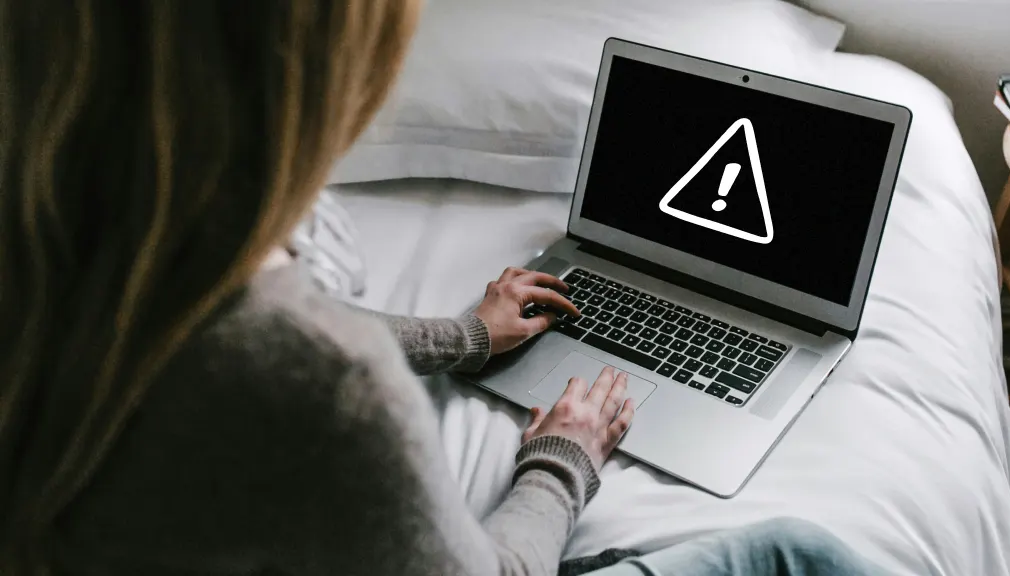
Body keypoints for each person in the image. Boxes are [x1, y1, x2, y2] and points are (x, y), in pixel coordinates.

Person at [0, 1, 889, 575]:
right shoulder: (327, 389)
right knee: (801, 553)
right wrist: (564, 462)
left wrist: (462, 339)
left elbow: (224, 328)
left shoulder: (71, 239)